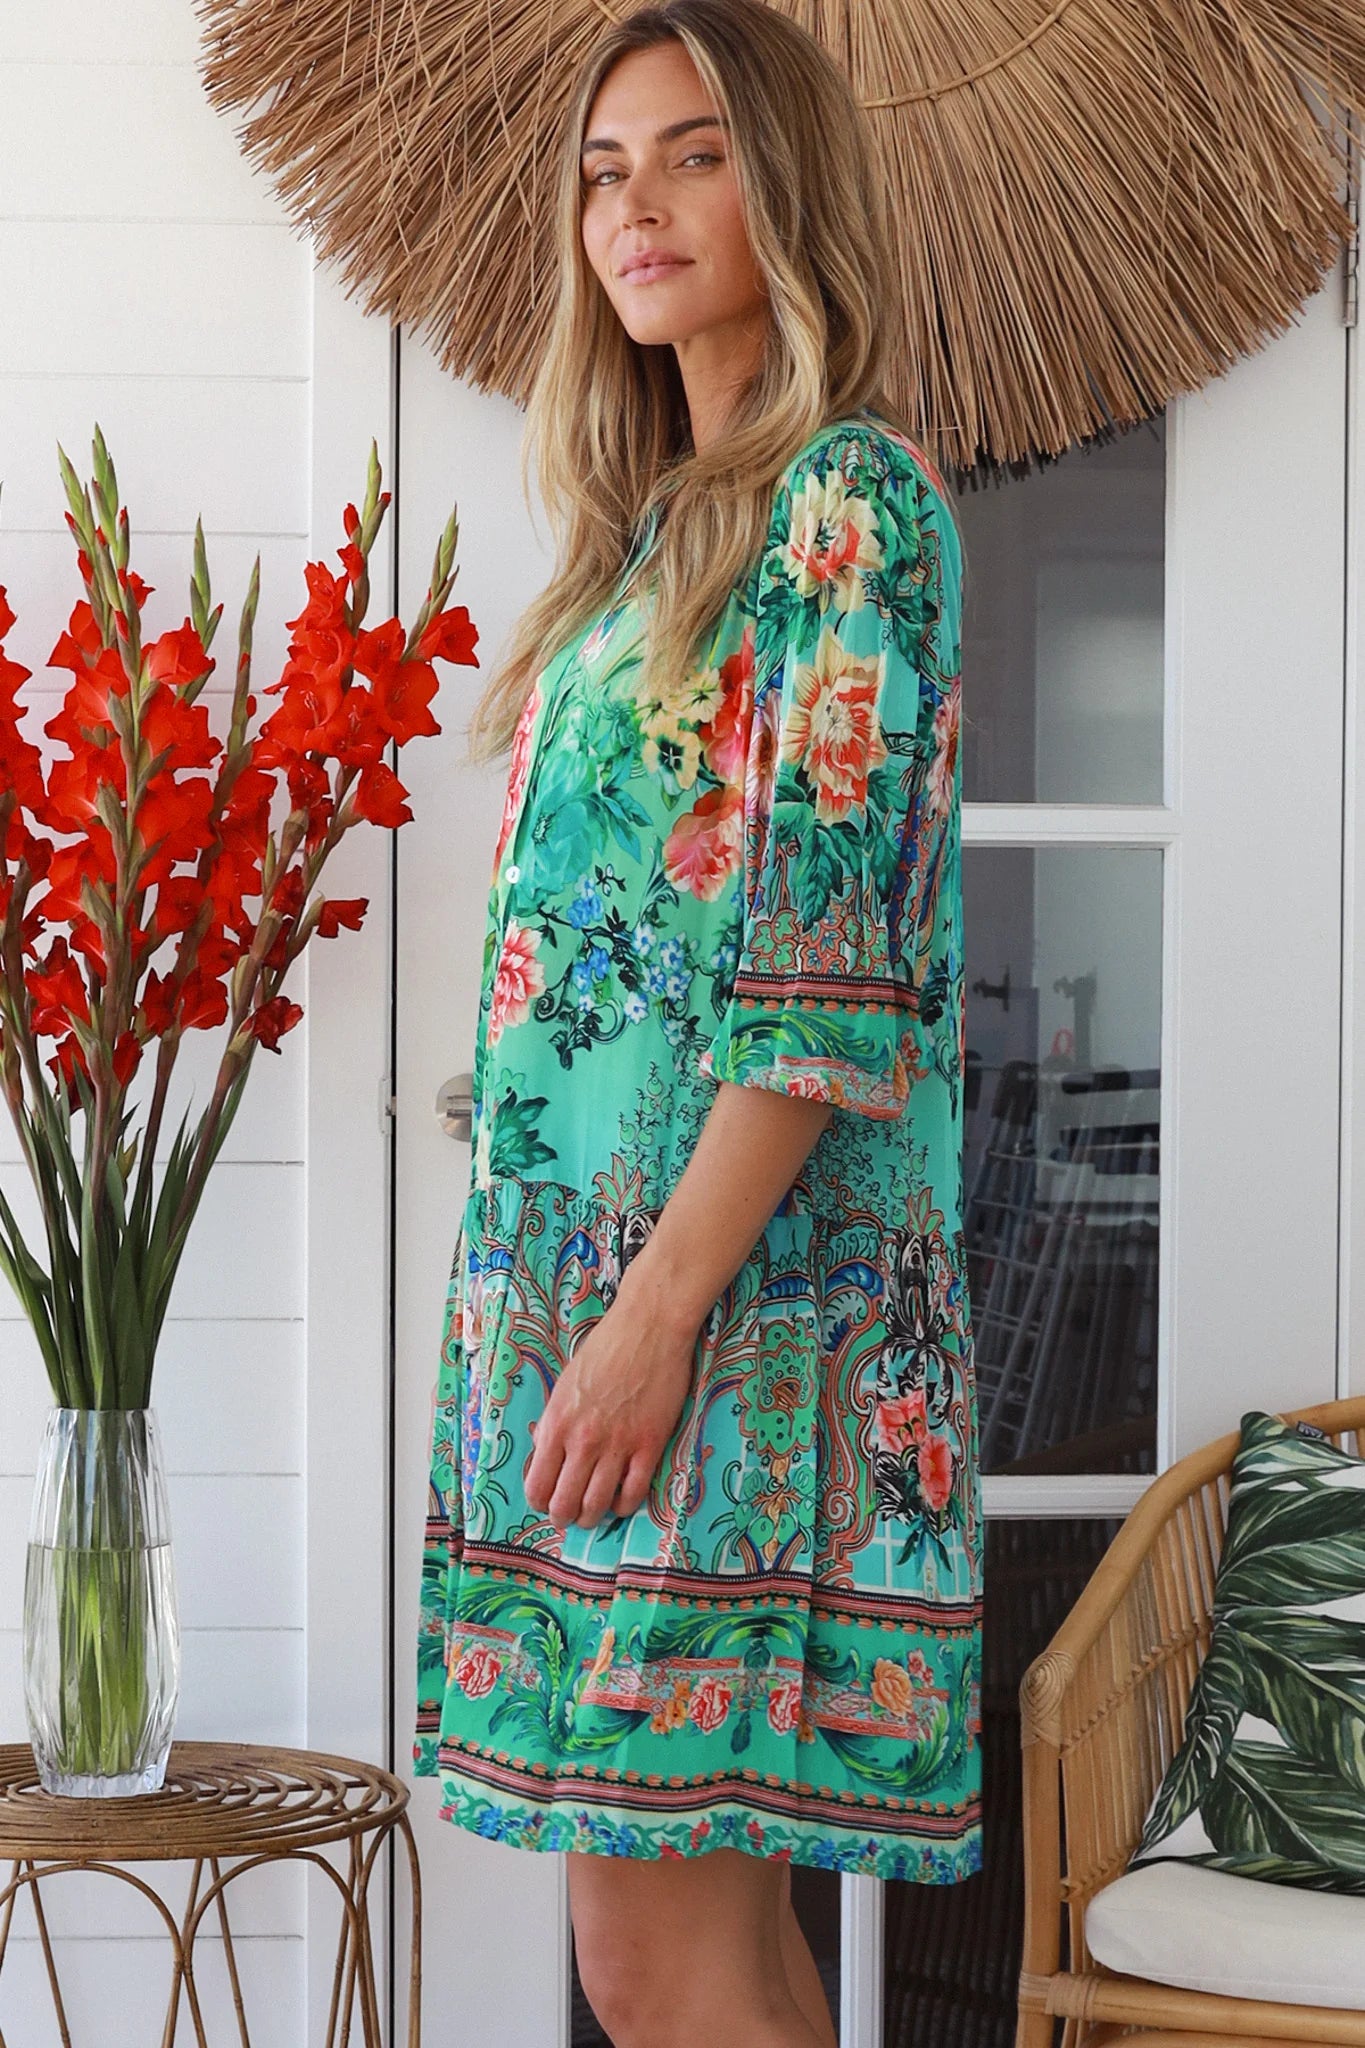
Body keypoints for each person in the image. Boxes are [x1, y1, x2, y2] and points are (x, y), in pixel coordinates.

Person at [413, 3, 980, 2042]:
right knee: (700, 1949)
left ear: (786, 187)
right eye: (602, 171)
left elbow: (824, 984)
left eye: (692, 154)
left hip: (731, 1321)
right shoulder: (655, 530)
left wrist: (650, 1317)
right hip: (604, 1304)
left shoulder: (850, 505)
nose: (633, 208)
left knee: (651, 1962)